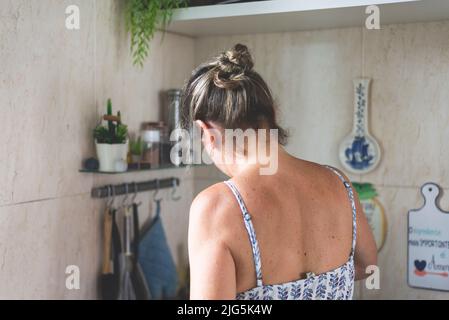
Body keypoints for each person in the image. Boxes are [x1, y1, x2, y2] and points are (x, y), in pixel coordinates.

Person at [182, 44, 377, 300]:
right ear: (273, 113)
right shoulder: (339, 183)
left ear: (207, 133)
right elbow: (367, 266)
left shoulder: (216, 208)